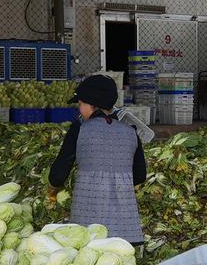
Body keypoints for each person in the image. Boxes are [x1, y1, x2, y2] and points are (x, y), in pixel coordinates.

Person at [48, 74, 147, 244]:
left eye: (80, 104)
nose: (79, 109)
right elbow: (140, 176)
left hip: (88, 227)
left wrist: (53, 188)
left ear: (91, 105)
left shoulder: (79, 130)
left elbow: (58, 174)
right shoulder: (131, 132)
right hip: (125, 230)